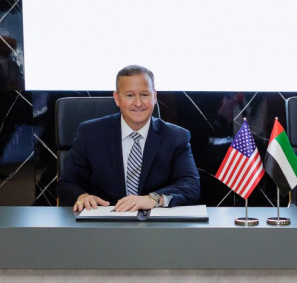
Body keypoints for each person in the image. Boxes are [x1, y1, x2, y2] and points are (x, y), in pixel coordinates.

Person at [58, 65, 201, 211]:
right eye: (130, 95)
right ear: (117, 98)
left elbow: (191, 185)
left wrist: (154, 199)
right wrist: (82, 196)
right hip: (104, 219)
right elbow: (67, 183)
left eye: (144, 95)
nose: (138, 103)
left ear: (154, 96)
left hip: (154, 221)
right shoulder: (90, 133)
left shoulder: (176, 137)